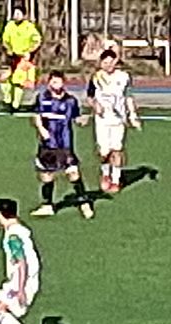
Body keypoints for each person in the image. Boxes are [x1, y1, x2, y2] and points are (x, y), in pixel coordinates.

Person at [28, 71, 91, 219]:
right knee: (46, 174)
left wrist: (83, 121)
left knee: (72, 172)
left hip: (64, 143)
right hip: (47, 144)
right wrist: (41, 129)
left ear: (64, 83)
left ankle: (84, 202)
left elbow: (76, 118)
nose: (56, 84)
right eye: (53, 81)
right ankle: (47, 205)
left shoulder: (71, 101)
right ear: (49, 82)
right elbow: (37, 115)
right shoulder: (42, 97)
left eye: (59, 81)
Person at [86, 49, 141, 194]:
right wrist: (95, 106)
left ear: (116, 62)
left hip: (118, 120)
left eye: (111, 62)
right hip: (102, 120)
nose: (108, 65)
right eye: (105, 62)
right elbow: (90, 97)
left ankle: (116, 180)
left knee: (117, 149)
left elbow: (128, 97)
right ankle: (105, 173)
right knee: (104, 152)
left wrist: (133, 115)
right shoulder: (96, 77)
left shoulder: (123, 77)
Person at [0, 5, 42, 113]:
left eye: (18, 13)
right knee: (4, 79)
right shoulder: (10, 26)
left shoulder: (29, 27)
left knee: (18, 82)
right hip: (11, 58)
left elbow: (37, 41)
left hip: (23, 58)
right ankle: (7, 100)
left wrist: (30, 51)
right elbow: (5, 40)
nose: (16, 16)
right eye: (15, 13)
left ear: (24, 15)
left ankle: (15, 105)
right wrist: (8, 49)